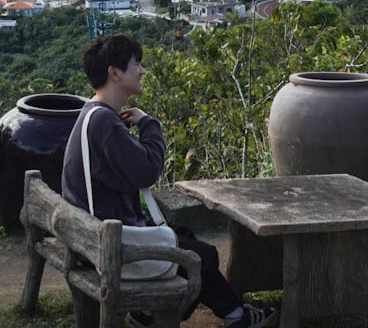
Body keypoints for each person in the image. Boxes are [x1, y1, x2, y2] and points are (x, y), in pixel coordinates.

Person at [62, 33, 277, 328]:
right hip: (111, 248)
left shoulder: (92, 114)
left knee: (189, 242)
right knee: (201, 257)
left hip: (92, 238)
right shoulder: (105, 122)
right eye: (135, 64)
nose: (141, 71)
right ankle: (160, 315)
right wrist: (149, 124)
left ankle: (232, 315)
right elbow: (149, 170)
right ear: (115, 73)